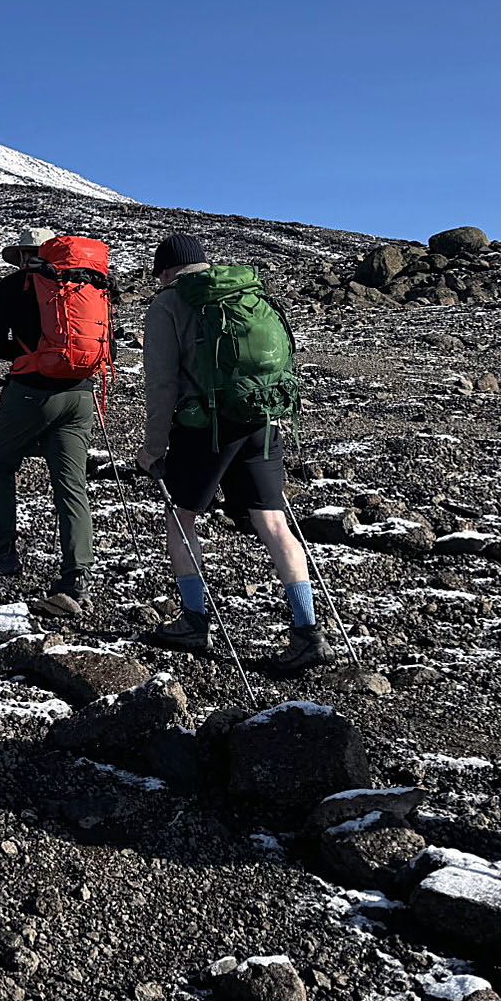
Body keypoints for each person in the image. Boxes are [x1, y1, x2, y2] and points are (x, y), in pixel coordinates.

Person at [134, 233, 333, 675]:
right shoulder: (245, 291)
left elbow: (162, 384)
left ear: (165, 271)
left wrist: (153, 448)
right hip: (261, 417)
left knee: (181, 518)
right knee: (273, 521)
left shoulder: (169, 303)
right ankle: (308, 631)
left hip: (206, 429)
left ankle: (194, 621)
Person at [0, 228, 110, 617]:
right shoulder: (89, 284)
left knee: (0, 465)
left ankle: (2, 553)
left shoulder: (14, 285)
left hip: (31, 390)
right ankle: (77, 575)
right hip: (81, 392)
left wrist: (29, 353)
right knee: (71, 484)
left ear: (22, 256)